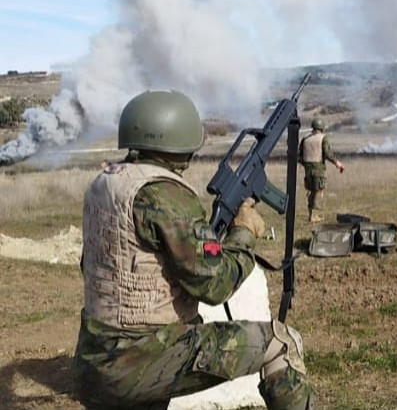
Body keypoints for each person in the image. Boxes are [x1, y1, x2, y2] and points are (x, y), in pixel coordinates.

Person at [73, 90, 314, 410]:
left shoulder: (105, 185)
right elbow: (216, 286)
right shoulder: (164, 195)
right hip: (140, 361)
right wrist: (242, 231)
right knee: (282, 343)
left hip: (94, 358)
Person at [299, 116, 344, 224]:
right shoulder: (323, 138)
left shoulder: (305, 138)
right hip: (318, 168)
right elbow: (327, 153)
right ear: (322, 127)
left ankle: (311, 215)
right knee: (318, 191)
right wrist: (337, 163)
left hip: (307, 169)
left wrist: (305, 164)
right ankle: (314, 216)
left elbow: (299, 155)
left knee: (311, 192)